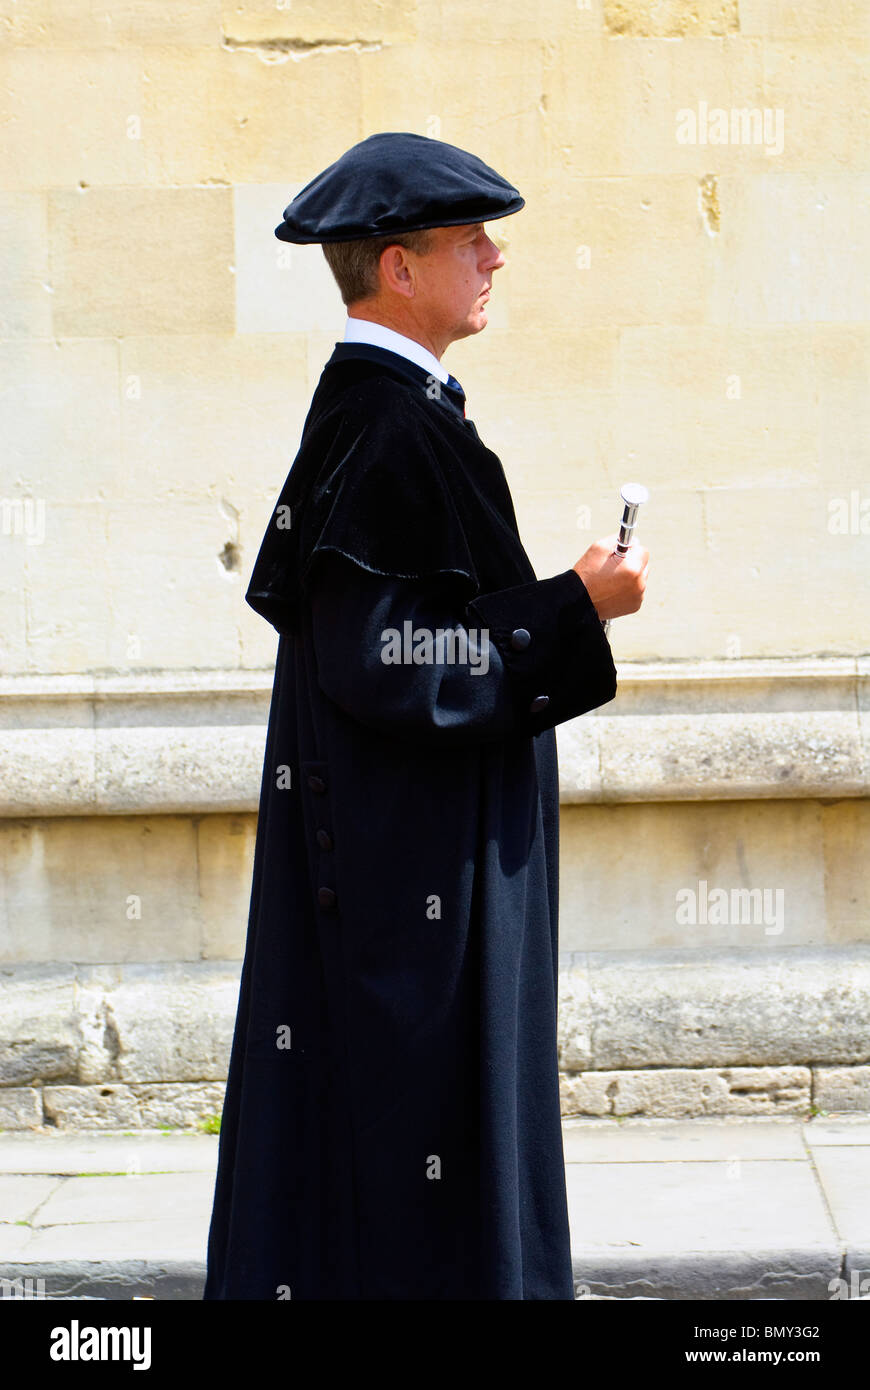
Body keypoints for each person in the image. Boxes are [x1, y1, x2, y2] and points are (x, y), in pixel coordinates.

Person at [203, 131, 649, 1301]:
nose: (496, 258)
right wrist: (577, 605)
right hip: (416, 906)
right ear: (398, 268)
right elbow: (391, 659)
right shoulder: (388, 424)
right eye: (471, 241)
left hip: (420, 875)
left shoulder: (394, 414)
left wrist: (556, 610)